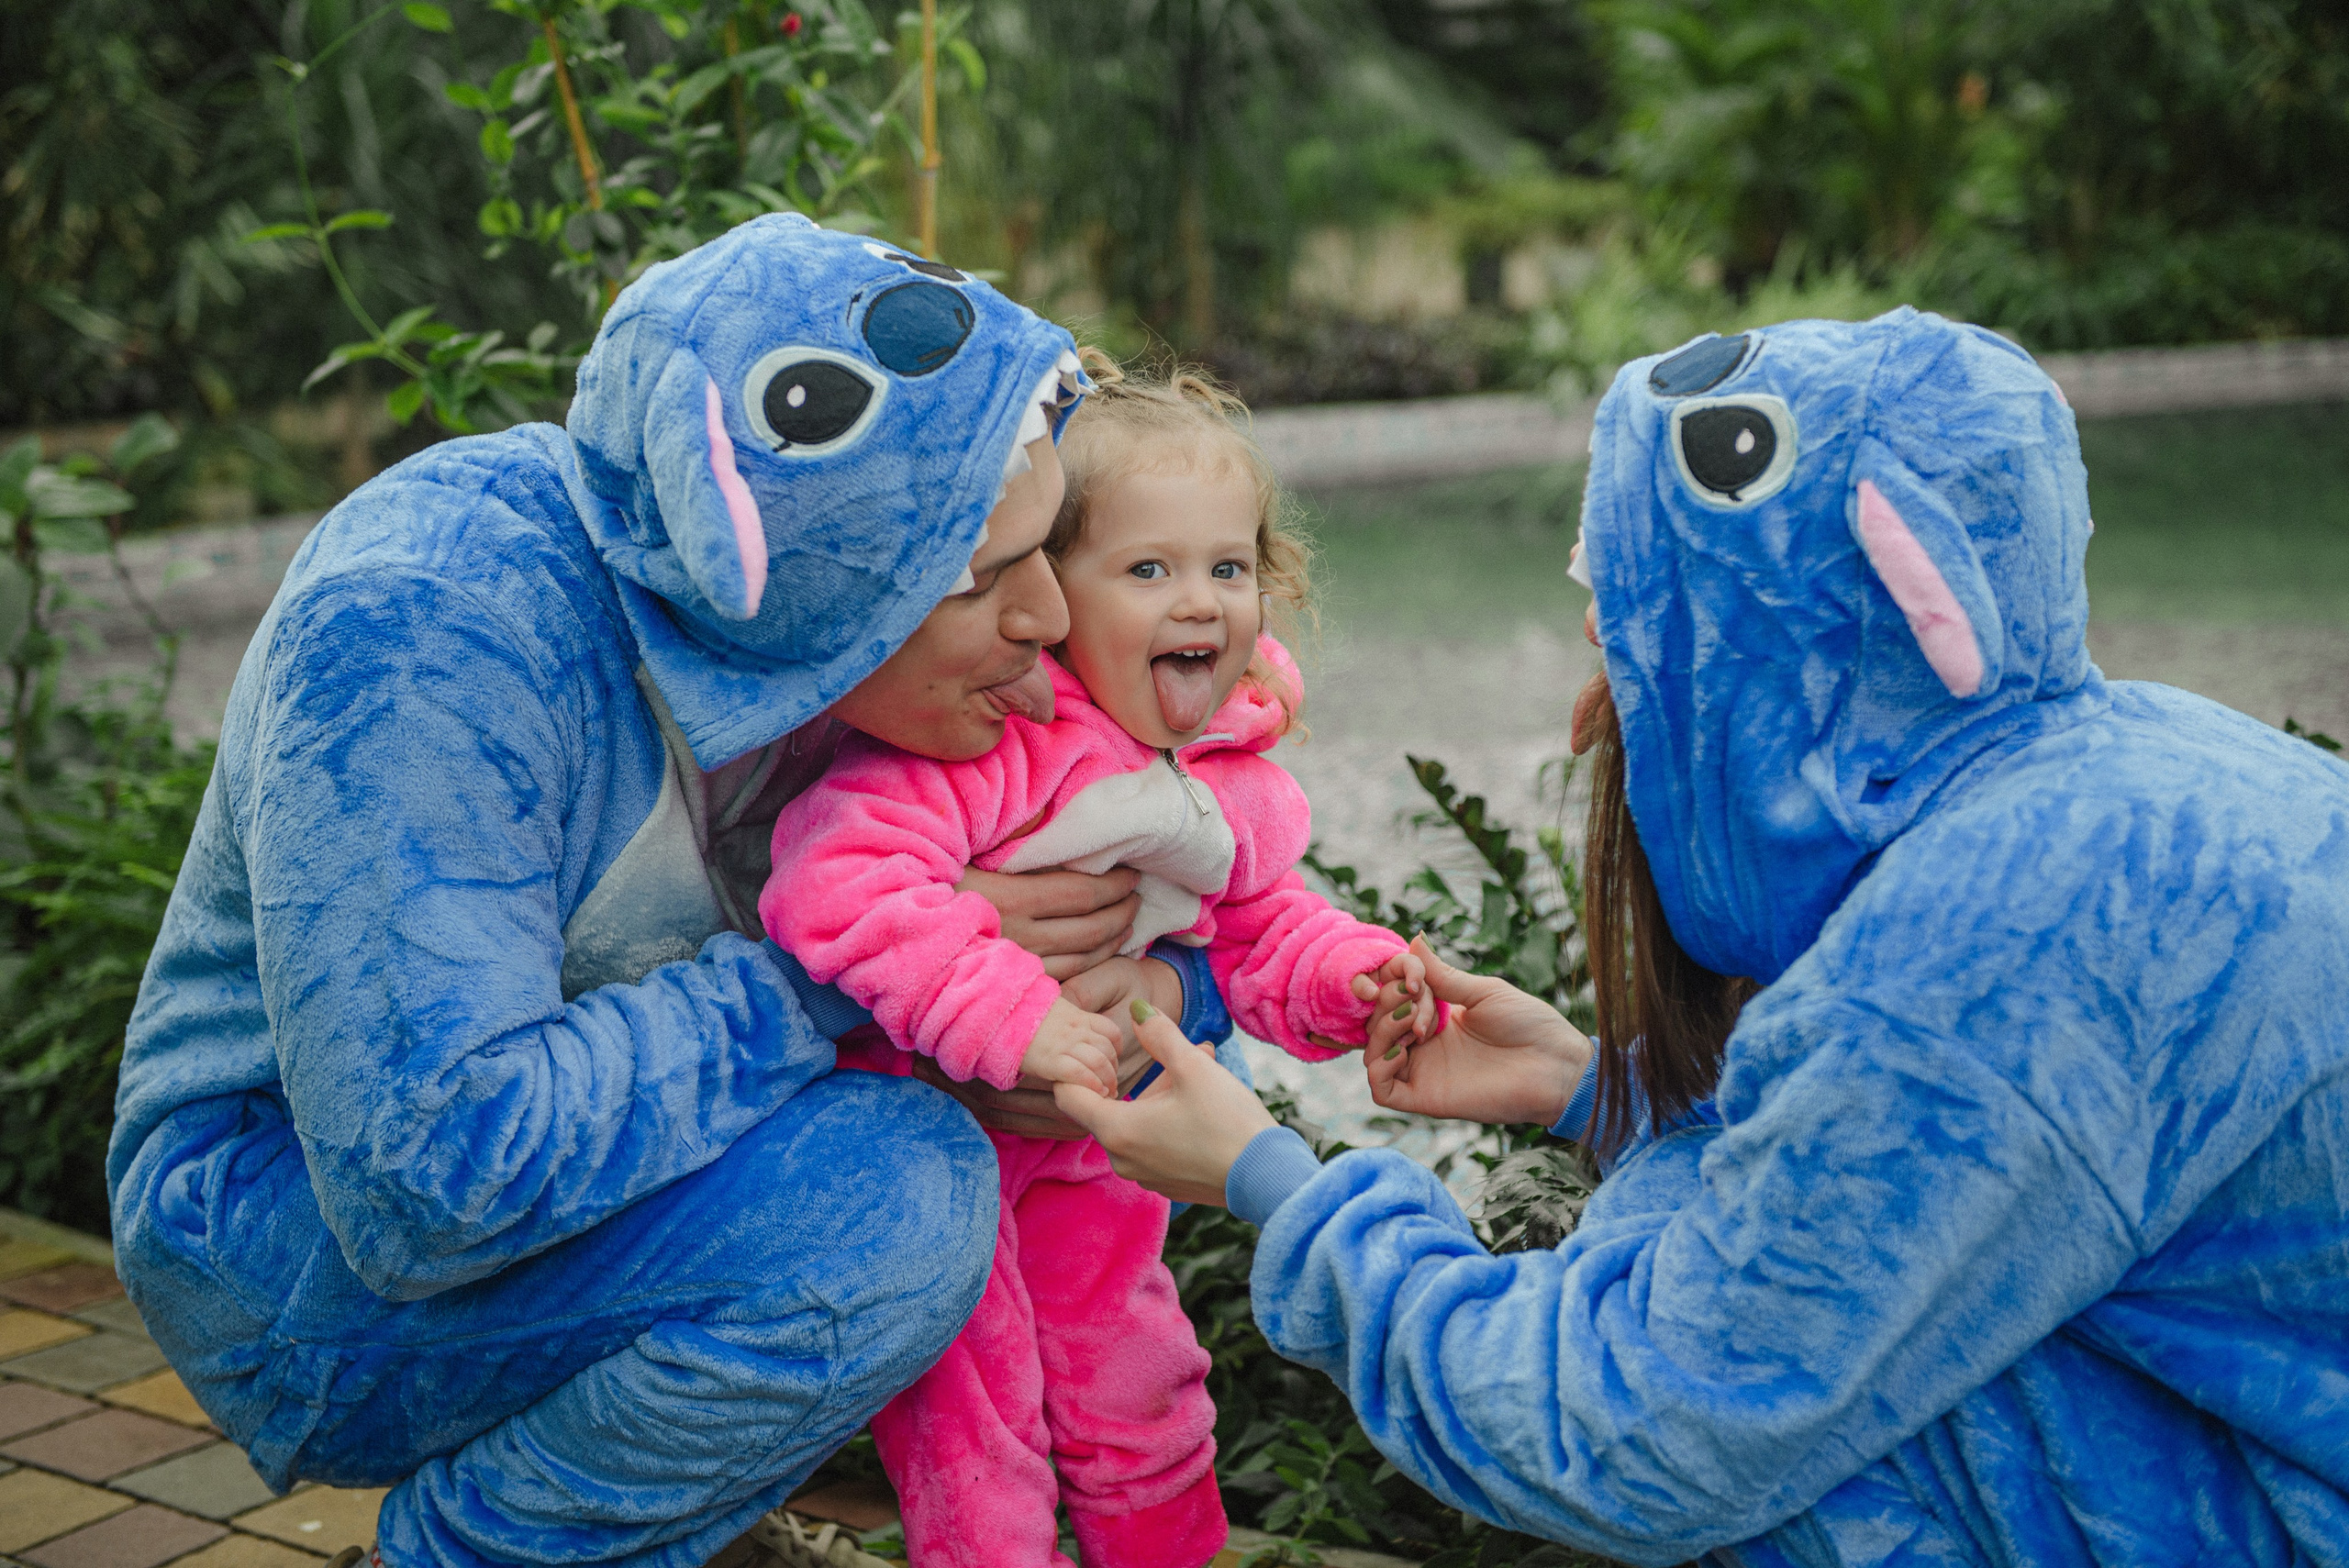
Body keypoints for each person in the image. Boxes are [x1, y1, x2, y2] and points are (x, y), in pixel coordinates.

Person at [1063, 309, 2349, 1566]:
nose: (1597, 662)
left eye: (1633, 624)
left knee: (1790, 1450)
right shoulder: (2117, 768)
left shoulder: (1986, 950)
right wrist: (1606, 1088)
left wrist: (1273, 1181)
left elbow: (1632, 1426)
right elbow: (1936, 1184)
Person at [105, 215, 1226, 1568]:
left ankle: (650, 1515)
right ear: (801, 556)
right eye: (986, 574)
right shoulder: (424, 628)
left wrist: (1156, 991)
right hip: (283, 1241)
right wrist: (851, 970)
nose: (1049, 616)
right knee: (897, 1200)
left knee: (920, 1175)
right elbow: (430, 1181)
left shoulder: (847, 639)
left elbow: (1189, 882)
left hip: (565, 1181)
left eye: (1046, 552)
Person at [761, 362, 1437, 1568]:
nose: (1202, 602)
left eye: (1228, 569)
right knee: (982, 1427)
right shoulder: (991, 743)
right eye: (1150, 569)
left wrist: (1359, 979)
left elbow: (1261, 934)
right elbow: (836, 880)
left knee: (1146, 1389)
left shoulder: (1223, 785)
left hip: (1090, 1163)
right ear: (1054, 595)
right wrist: (1021, 1017)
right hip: (933, 1153)